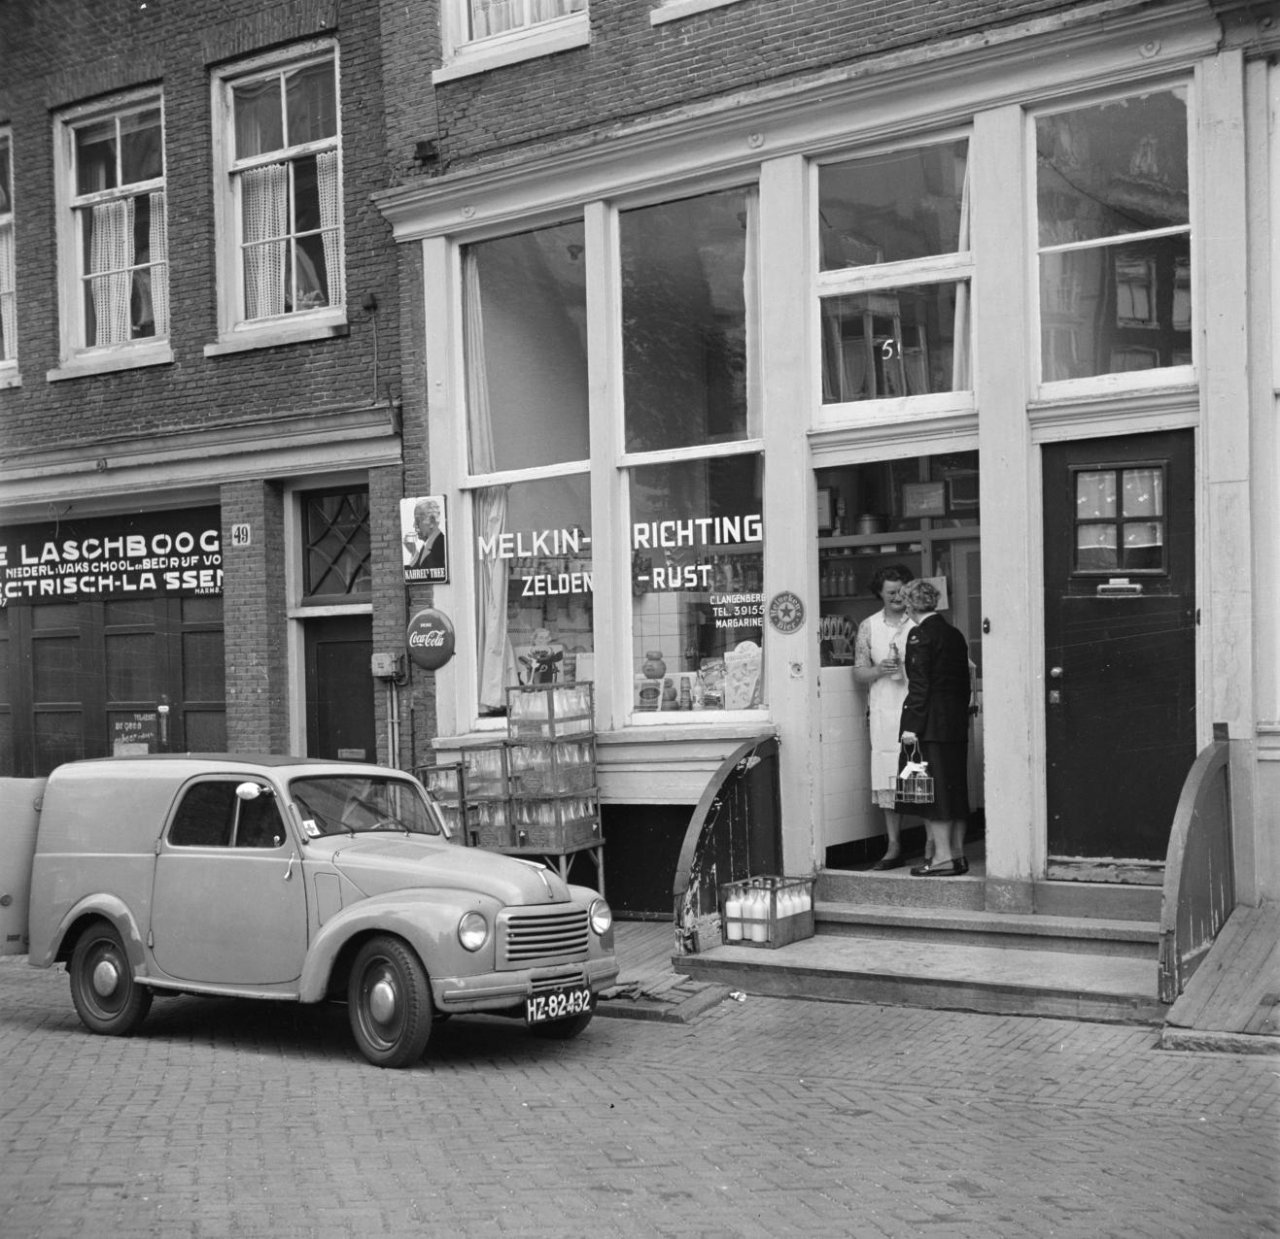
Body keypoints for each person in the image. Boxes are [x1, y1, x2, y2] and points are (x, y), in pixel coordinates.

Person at [896, 578, 972, 877]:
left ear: (910, 605)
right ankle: (958, 854)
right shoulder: (954, 634)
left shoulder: (920, 635)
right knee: (955, 790)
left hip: (930, 725)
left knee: (934, 793)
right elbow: (963, 682)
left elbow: (920, 686)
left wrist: (911, 726)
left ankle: (942, 858)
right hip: (954, 723)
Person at [852, 565, 917, 868]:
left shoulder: (918, 622)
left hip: (915, 708)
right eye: (890, 592)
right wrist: (879, 670)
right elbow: (859, 672)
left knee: (920, 774)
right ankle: (894, 845)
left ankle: (931, 843)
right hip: (882, 712)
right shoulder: (869, 626)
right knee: (888, 776)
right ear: (880, 593)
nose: (897, 597)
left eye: (901, 591)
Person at [404, 498, 446, 571]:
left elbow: (428, 573)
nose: (414, 525)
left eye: (418, 520)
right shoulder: (428, 544)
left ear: (431, 522)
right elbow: (420, 572)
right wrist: (414, 552)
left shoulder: (440, 545)